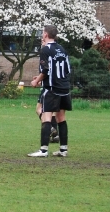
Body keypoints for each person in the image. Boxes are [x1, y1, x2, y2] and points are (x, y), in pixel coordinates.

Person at [28, 25, 71, 157]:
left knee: (46, 117)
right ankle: (63, 150)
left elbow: (45, 70)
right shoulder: (62, 49)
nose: (42, 35)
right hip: (64, 88)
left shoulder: (46, 50)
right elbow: (67, 69)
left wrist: (37, 81)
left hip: (52, 89)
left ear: (46, 34)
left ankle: (43, 150)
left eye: (42, 33)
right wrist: (43, 78)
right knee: (61, 118)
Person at [35, 37, 59, 143]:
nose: (42, 41)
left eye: (43, 40)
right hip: (57, 86)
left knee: (39, 109)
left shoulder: (45, 52)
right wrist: (39, 78)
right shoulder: (58, 53)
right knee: (52, 112)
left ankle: (50, 129)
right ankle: (55, 136)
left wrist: (37, 80)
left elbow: (46, 70)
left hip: (48, 87)